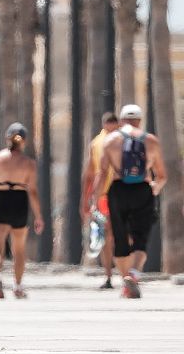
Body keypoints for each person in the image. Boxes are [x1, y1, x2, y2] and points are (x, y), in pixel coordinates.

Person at [91, 104, 167, 299]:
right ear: (139, 120)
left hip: (118, 190)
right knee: (140, 239)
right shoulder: (151, 141)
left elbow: (102, 173)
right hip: (143, 190)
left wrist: (95, 200)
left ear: (122, 120)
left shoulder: (110, 140)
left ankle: (125, 279)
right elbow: (161, 176)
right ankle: (133, 274)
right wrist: (154, 189)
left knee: (120, 239)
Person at [0, 123, 44, 299]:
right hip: (19, 201)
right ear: (24, 141)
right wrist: (38, 216)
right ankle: (17, 286)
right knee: (19, 249)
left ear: (8, 138)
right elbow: (34, 192)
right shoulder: (29, 163)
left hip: (1, 199)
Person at [80, 112, 120, 289]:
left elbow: (89, 174)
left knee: (106, 236)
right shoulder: (123, 139)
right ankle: (127, 273)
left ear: (104, 124)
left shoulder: (96, 142)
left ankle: (109, 276)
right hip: (122, 192)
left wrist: (86, 199)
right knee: (118, 234)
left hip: (102, 195)